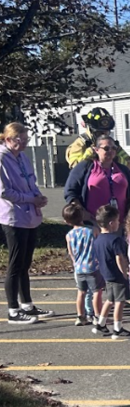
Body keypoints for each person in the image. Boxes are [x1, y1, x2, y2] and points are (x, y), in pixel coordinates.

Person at [1, 122, 51, 324]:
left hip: (30, 216)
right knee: (15, 264)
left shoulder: (22, 157)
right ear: (8, 139)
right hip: (13, 217)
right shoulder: (2, 159)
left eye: (26, 140)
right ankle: (13, 310)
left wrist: (38, 196)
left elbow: (31, 181)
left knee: (25, 263)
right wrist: (30, 199)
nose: (23, 145)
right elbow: (4, 192)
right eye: (20, 141)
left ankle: (27, 305)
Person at [64, 134, 130, 227]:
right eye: (106, 148)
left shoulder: (123, 169)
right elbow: (70, 192)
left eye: (113, 148)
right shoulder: (84, 167)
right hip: (93, 223)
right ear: (96, 150)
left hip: (120, 223)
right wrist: (82, 213)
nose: (110, 151)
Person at [91, 205, 130, 339]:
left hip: (106, 274)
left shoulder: (98, 240)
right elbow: (119, 258)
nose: (119, 223)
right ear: (111, 223)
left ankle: (101, 323)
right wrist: (124, 273)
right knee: (120, 301)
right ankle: (117, 328)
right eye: (117, 220)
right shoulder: (116, 240)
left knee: (110, 299)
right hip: (117, 274)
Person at [64, 202, 102, 326]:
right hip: (93, 266)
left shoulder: (69, 235)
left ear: (67, 221)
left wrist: (76, 263)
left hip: (79, 267)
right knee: (96, 292)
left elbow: (71, 252)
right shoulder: (92, 230)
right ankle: (97, 316)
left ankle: (81, 316)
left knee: (81, 292)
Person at [65, 107, 130, 170]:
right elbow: (76, 167)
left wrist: (114, 158)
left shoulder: (112, 146)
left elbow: (129, 164)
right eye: (99, 133)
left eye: (106, 132)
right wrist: (90, 153)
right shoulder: (80, 144)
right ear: (91, 130)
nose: (103, 136)